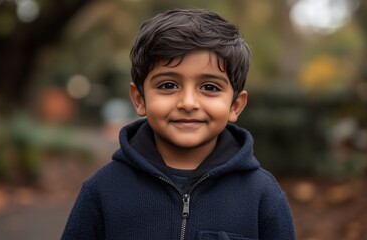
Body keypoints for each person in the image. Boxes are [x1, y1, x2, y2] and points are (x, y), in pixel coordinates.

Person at [62, 8, 295, 240]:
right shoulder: (103, 190)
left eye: (210, 87)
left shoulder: (262, 195)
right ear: (139, 99)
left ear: (235, 106)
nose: (188, 103)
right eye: (168, 85)